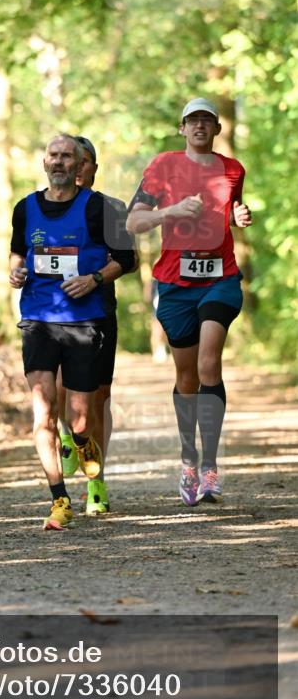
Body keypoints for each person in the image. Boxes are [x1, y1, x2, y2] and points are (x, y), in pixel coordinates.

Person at [126, 97, 252, 505]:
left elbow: (227, 210)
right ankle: (189, 462)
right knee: (186, 379)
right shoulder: (163, 166)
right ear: (182, 128)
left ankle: (211, 467)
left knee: (208, 361)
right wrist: (172, 211)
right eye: (192, 120)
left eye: (207, 120)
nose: (200, 126)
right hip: (175, 283)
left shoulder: (232, 169)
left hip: (221, 277)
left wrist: (238, 215)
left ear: (216, 129)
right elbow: (133, 221)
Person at [9, 134, 136, 530]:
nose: (59, 162)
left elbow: (127, 259)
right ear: (44, 162)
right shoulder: (25, 208)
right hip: (38, 319)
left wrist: (94, 278)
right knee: (44, 414)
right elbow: (17, 251)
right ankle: (59, 499)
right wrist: (15, 271)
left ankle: (81, 444)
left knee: (80, 418)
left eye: (67, 156)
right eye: (53, 155)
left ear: (81, 165)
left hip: (85, 322)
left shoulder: (101, 209)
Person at [56, 137, 138, 516]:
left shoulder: (110, 208)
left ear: (91, 167)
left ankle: (96, 482)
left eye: (84, 161)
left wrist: (96, 277)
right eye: (71, 159)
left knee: (98, 399)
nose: (77, 167)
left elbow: (129, 260)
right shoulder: (46, 206)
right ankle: (69, 436)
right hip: (52, 313)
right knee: (56, 389)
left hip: (99, 313)